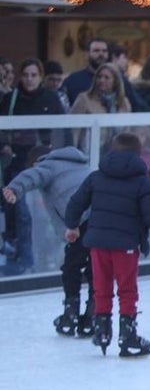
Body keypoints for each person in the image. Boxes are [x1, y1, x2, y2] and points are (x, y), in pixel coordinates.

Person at [63, 132, 150, 357]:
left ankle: (102, 330)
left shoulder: (96, 177)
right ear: (138, 154)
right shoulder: (143, 182)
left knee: (101, 286)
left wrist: (72, 226)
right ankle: (128, 336)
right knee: (127, 288)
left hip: (98, 244)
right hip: (126, 245)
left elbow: (76, 203)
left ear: (112, 151)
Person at [3, 144, 93, 335]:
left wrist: (14, 188)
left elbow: (32, 176)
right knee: (97, 268)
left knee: (71, 267)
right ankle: (94, 313)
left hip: (82, 219)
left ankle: (71, 312)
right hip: (102, 215)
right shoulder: (80, 164)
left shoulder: (47, 165)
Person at [2, 58, 67, 274]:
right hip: (18, 164)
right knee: (23, 213)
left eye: (34, 75)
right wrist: (5, 145)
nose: (29, 79)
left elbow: (62, 130)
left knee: (44, 216)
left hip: (46, 165)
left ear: (40, 77)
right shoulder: (11, 99)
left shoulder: (51, 98)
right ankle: (26, 260)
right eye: (26, 75)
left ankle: (46, 259)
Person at [61, 38, 110, 105]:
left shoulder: (119, 80)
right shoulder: (72, 81)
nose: (101, 54)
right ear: (86, 54)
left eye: (104, 51)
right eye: (96, 51)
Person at [109, 44, 147, 112]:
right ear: (114, 57)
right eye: (124, 57)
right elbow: (136, 102)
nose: (126, 61)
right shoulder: (120, 79)